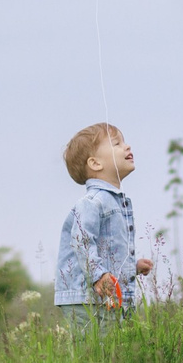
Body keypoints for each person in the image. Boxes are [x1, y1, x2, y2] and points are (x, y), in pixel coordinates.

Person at [54, 122, 151, 330]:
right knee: (92, 353)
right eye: (116, 143)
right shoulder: (93, 202)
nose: (127, 147)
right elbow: (82, 241)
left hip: (106, 297)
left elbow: (108, 252)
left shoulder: (114, 202)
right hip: (86, 298)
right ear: (96, 163)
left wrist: (131, 268)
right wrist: (99, 275)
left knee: (110, 353)